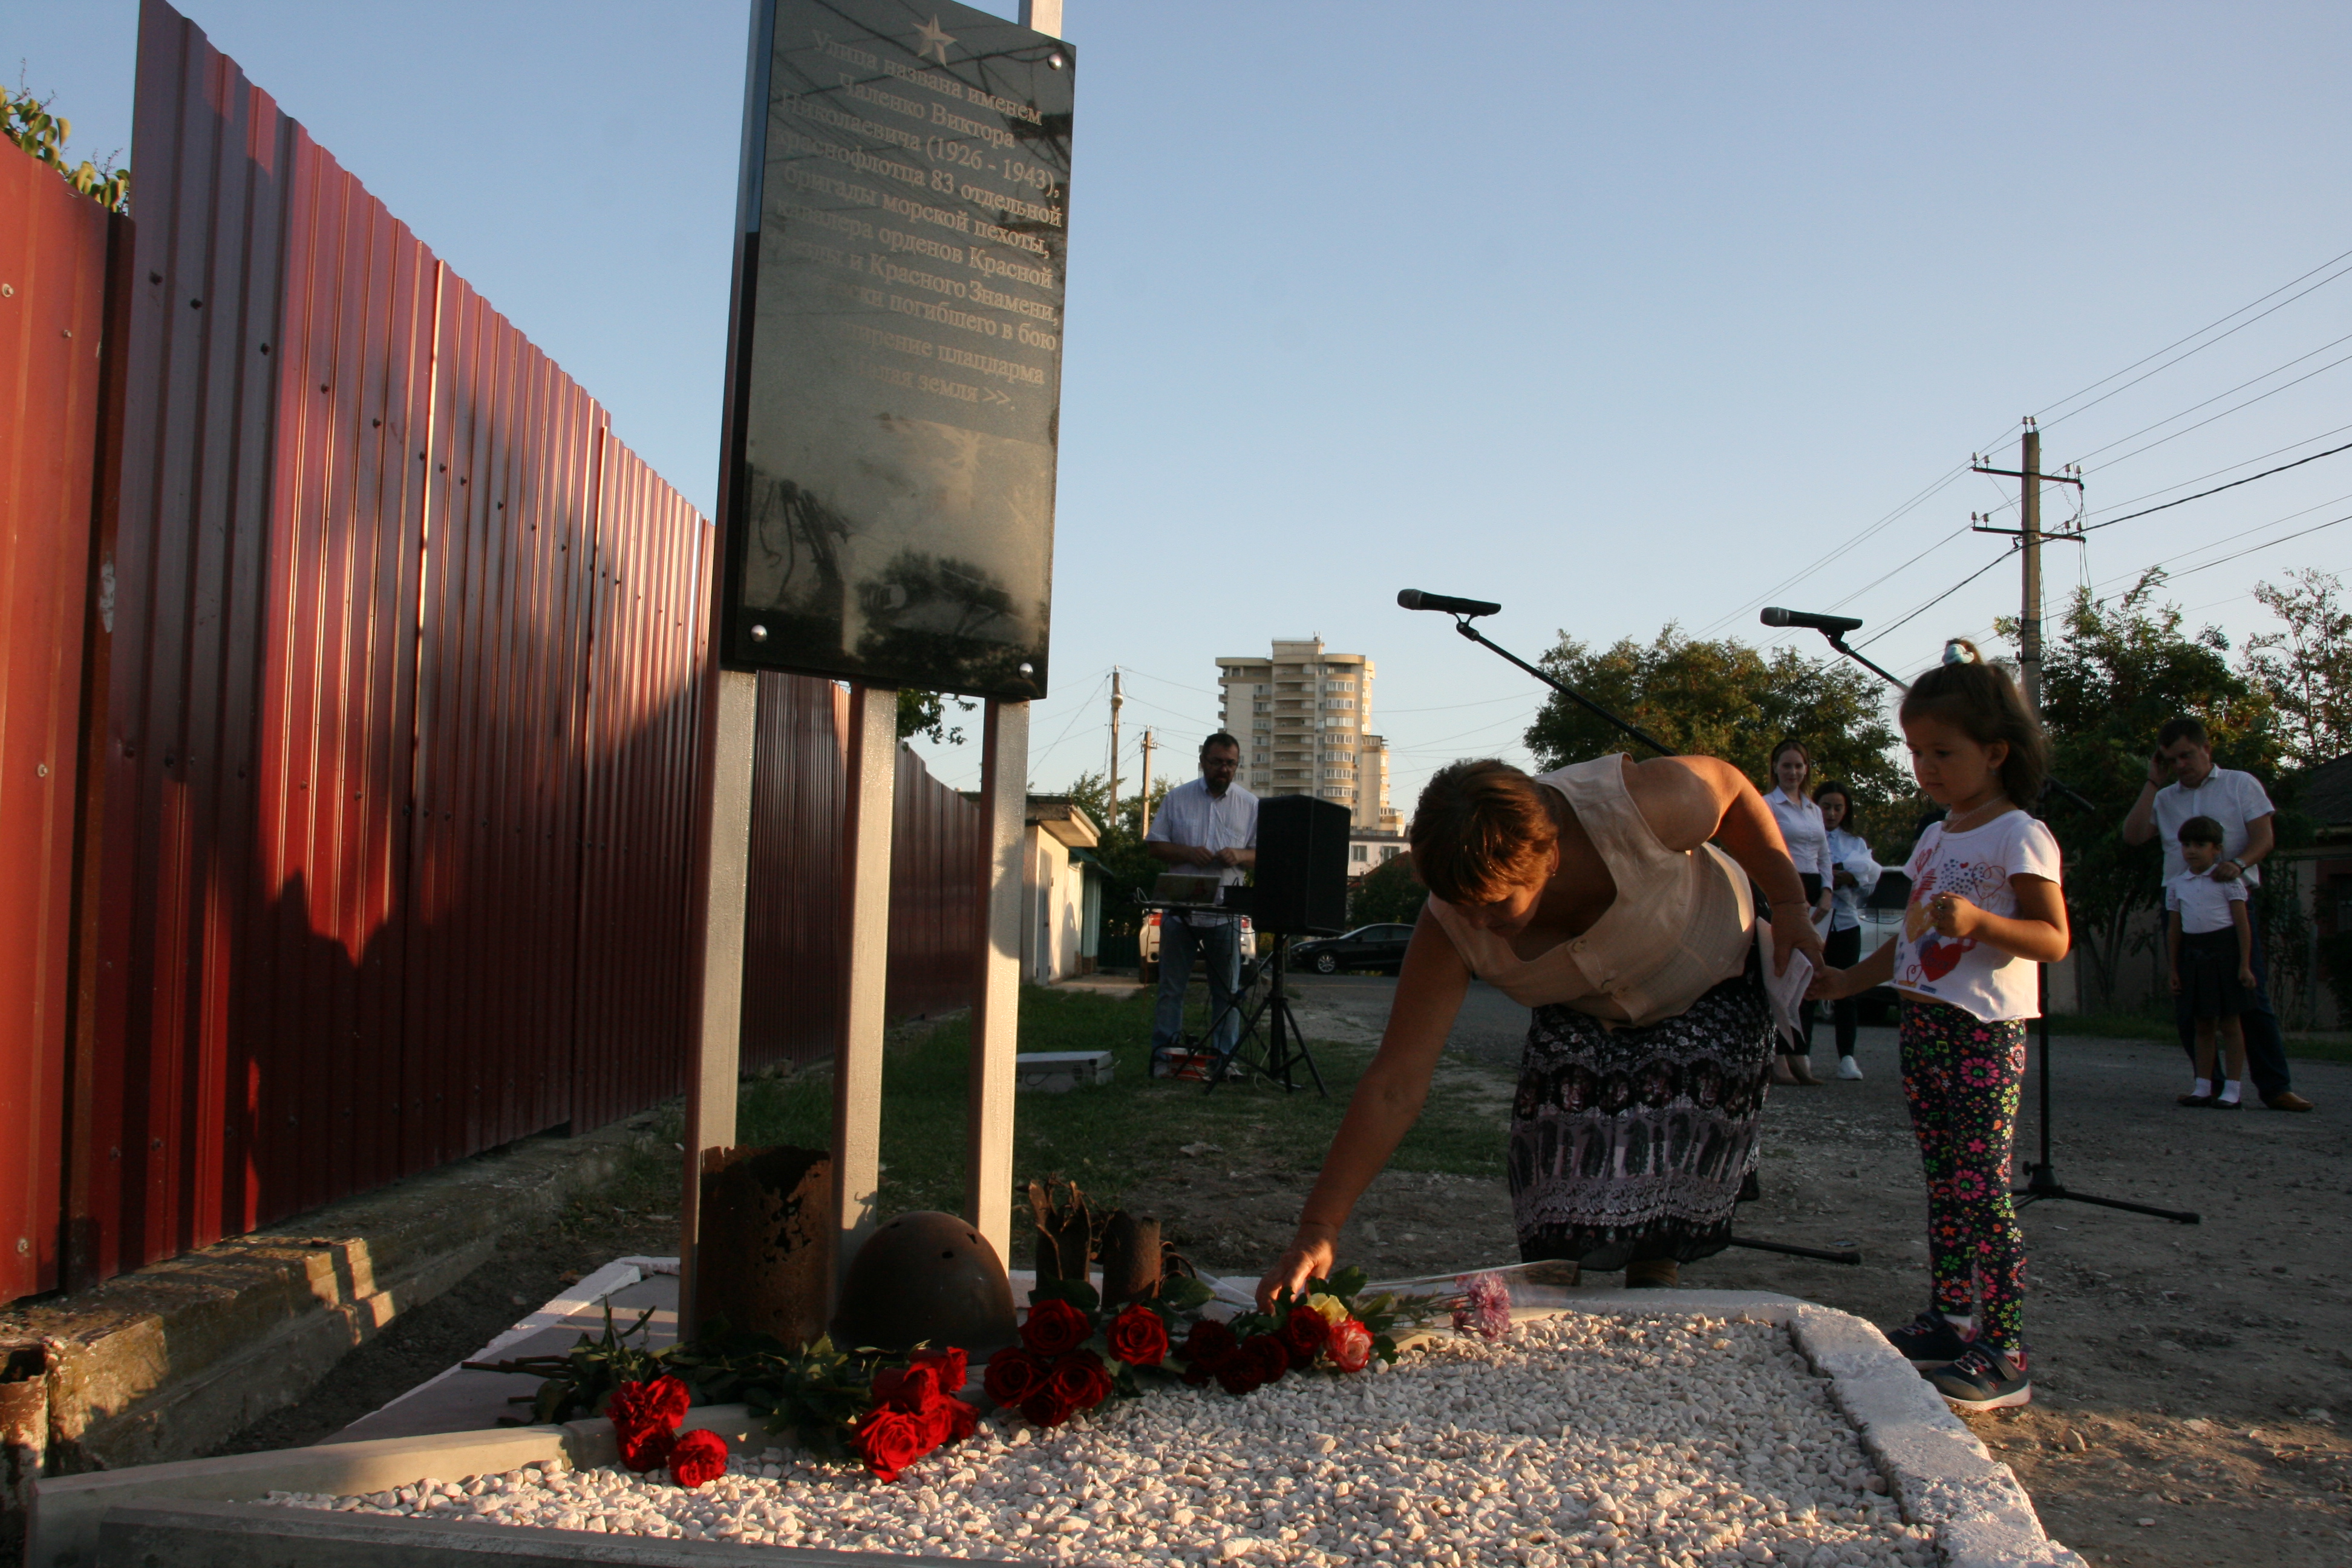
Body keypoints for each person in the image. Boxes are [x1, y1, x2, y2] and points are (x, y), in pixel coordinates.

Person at [1256, 751, 1824, 1304]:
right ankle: (1557, 1296)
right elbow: (1395, 1084)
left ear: (1550, 858)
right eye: (1457, 904)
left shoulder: (1642, 808)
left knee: (1665, 1171)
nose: (1474, 924)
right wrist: (1320, 1227)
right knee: (1559, 1174)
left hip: (1713, 979)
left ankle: (1655, 1285)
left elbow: (1730, 789)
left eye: (1495, 906)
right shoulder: (1451, 920)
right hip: (1583, 1010)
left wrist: (1792, 904)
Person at [1811, 640, 2068, 1413]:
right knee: (1945, 1186)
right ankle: (1951, 1320)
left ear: (1995, 752)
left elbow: (2053, 938)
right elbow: (1912, 939)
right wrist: (1849, 979)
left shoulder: (2019, 833)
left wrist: (1982, 920)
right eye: (1916, 752)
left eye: (1943, 752)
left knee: (1985, 1188)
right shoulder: (1933, 837)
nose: (1926, 767)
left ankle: (2006, 1349)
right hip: (1925, 1029)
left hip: (1983, 1030)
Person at [2120, 718, 2313, 1112]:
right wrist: (2153, 782)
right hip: (2183, 905)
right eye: (2172, 759)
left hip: (2230, 902)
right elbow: (2134, 835)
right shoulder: (2166, 796)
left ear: (2207, 750)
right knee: (2190, 1001)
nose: (2182, 765)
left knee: (2249, 996)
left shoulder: (2240, 785)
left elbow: (2265, 838)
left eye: (2187, 755)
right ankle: (2209, 1085)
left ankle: (2275, 1087)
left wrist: (2238, 865)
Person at [1144, 733, 1257, 1061]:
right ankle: (1166, 1054)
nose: (1224, 769)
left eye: (1230, 764)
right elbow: (1155, 846)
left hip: (1226, 912)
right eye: (1217, 762)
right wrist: (1188, 853)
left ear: (1237, 765)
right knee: (1171, 988)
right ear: (1203, 761)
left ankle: (1224, 1058)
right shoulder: (1177, 799)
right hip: (1181, 910)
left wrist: (1239, 854)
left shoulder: (1250, 805)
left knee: (1227, 991)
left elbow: (1264, 854)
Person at [2166, 815, 2257, 1109]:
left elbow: (2243, 926)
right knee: (2202, 1024)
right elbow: (2175, 929)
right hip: (2195, 956)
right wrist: (2174, 968)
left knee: (2230, 1023)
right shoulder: (2178, 885)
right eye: (2187, 845)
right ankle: (2202, 1086)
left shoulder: (2229, 882)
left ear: (2216, 849)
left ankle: (2232, 1089)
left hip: (2226, 955)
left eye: (2200, 844)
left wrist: (2244, 965)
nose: (2192, 850)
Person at [1765, 740, 1837, 1086]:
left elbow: (1824, 854)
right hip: (1784, 889)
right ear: (1775, 768)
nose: (1793, 772)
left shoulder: (1813, 809)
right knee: (1783, 972)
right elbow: (1770, 852)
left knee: (1809, 972)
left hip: (1813, 890)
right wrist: (1791, 898)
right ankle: (1778, 1056)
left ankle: (1800, 1053)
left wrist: (1826, 892)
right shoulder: (1767, 806)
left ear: (1806, 769)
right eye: (1786, 766)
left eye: (1798, 766)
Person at [1811, 782, 1881, 1081]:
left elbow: (1867, 875)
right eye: (1826, 806)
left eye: (1838, 807)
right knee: (1807, 986)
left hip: (1846, 921)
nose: (1831, 813)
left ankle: (1847, 1058)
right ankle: (1799, 1054)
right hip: (1815, 920)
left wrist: (1848, 876)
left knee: (1846, 991)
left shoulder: (1855, 842)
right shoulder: (1808, 836)